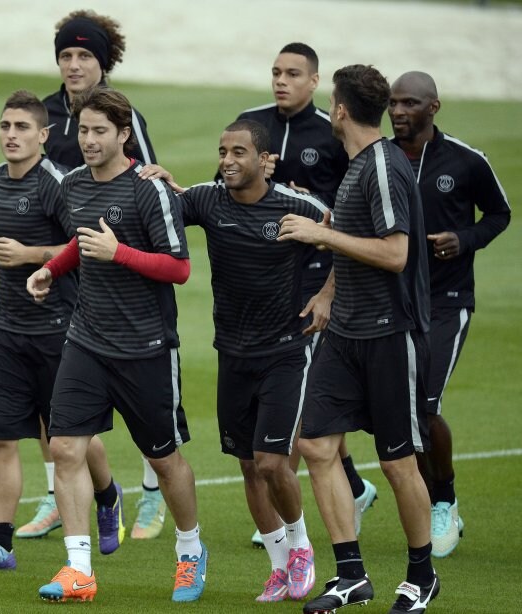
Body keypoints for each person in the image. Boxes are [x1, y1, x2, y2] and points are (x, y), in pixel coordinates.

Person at [27, 86, 206, 604]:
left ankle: (190, 551)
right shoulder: (75, 185)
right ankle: (78, 568)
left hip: (147, 347)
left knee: (165, 458)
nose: (87, 140)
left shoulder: (149, 191)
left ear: (124, 135)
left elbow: (180, 268)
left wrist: (119, 252)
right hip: (87, 340)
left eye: (99, 131)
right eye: (82, 130)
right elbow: (81, 241)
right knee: (64, 448)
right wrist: (50, 269)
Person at [141, 118, 328, 602]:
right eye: (223, 151)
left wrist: (327, 295)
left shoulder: (295, 205)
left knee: (271, 462)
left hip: (286, 351)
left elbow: (345, 236)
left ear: (265, 160)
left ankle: (302, 545)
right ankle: (279, 564)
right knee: (248, 465)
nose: (227, 160)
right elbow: (157, 215)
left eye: (239, 152)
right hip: (232, 353)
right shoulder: (206, 199)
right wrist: (153, 182)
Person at [279, 65, 439, 613]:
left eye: (330, 103)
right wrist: (327, 290)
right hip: (345, 331)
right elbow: (358, 240)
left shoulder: (382, 167)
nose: (328, 110)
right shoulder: (354, 167)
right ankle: (351, 575)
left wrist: (321, 234)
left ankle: (422, 575)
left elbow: (394, 253)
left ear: (341, 110)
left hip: (390, 335)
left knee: (398, 465)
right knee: (316, 445)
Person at [18, 8, 165, 542]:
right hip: (61, 273)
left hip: (117, 281)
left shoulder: (121, 115)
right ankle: (58, 494)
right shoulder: (46, 113)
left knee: (144, 403)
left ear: (104, 62)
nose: (74, 64)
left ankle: (153, 496)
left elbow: (150, 186)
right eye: (66, 55)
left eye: (85, 55)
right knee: (47, 392)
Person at [232, 42, 377, 547]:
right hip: (260, 282)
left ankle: (288, 516)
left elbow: (347, 211)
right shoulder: (250, 125)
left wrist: (330, 289)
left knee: (296, 401)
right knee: (301, 404)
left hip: (313, 282)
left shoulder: (330, 135)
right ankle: (355, 488)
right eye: (275, 72)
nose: (281, 80)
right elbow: (224, 184)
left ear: (314, 82)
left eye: (293, 73)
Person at [388, 71, 511, 558]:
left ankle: (445, 503)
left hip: (447, 301)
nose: (398, 111)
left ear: (433, 107)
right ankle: (414, 500)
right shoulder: (381, 157)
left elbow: (499, 214)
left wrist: (466, 239)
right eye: (393, 103)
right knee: (399, 411)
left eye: (409, 103)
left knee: (425, 405)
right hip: (394, 302)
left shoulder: (466, 161)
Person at [0, 90, 77, 570]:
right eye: (6, 126)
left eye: (22, 127)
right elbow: (3, 242)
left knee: (68, 441)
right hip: (7, 330)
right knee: (1, 439)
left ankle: (108, 498)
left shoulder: (57, 185)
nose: (11, 135)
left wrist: (31, 257)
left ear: (43, 135)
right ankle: (0, 545)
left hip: (58, 330)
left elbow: (81, 247)